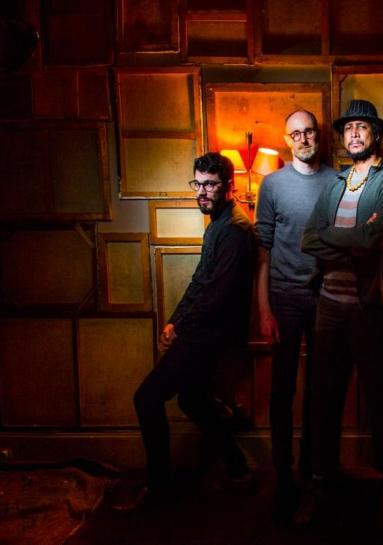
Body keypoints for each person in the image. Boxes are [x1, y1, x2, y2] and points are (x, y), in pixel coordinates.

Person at [123, 152, 256, 510]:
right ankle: (239, 469)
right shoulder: (218, 224)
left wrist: (180, 328)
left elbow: (216, 295)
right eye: (197, 184)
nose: (202, 191)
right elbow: (200, 281)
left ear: (229, 187)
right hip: (202, 329)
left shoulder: (235, 230)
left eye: (210, 185)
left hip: (210, 334)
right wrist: (173, 320)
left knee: (147, 399)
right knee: (192, 400)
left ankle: (159, 487)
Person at [296, 99, 383, 528]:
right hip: (328, 306)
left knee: (382, 402)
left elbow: (373, 240)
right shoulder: (336, 183)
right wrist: (352, 239)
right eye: (348, 128)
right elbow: (308, 239)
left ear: (375, 134)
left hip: (371, 309)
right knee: (323, 401)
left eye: (362, 126)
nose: (354, 134)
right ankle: (321, 485)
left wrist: (338, 236)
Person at [256, 109, 336, 525]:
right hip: (284, 298)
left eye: (309, 132)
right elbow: (264, 252)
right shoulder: (272, 185)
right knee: (282, 391)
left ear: (318, 136)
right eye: (296, 134)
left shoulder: (337, 180)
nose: (303, 139)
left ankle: (312, 471)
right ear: (287, 140)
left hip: (325, 298)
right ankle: (283, 475)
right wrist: (264, 309)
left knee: (320, 391)